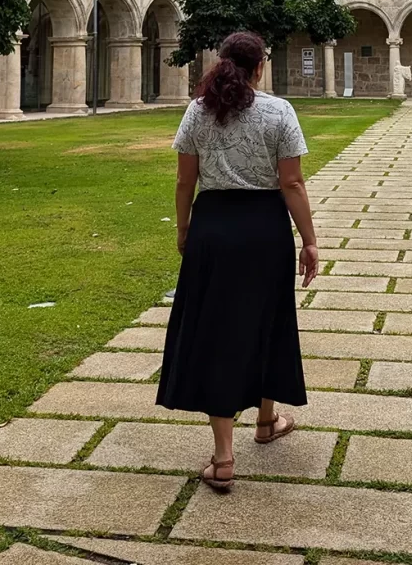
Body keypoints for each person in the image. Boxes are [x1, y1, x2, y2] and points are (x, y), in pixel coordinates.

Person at [156, 30, 319, 491]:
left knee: (216, 333)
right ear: (260, 66)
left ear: (221, 62)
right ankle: (265, 421)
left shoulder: (198, 110)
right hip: (265, 230)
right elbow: (292, 184)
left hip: (213, 228)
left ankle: (227, 454)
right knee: (267, 321)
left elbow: (185, 182)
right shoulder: (279, 111)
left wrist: (185, 229)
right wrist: (309, 241)